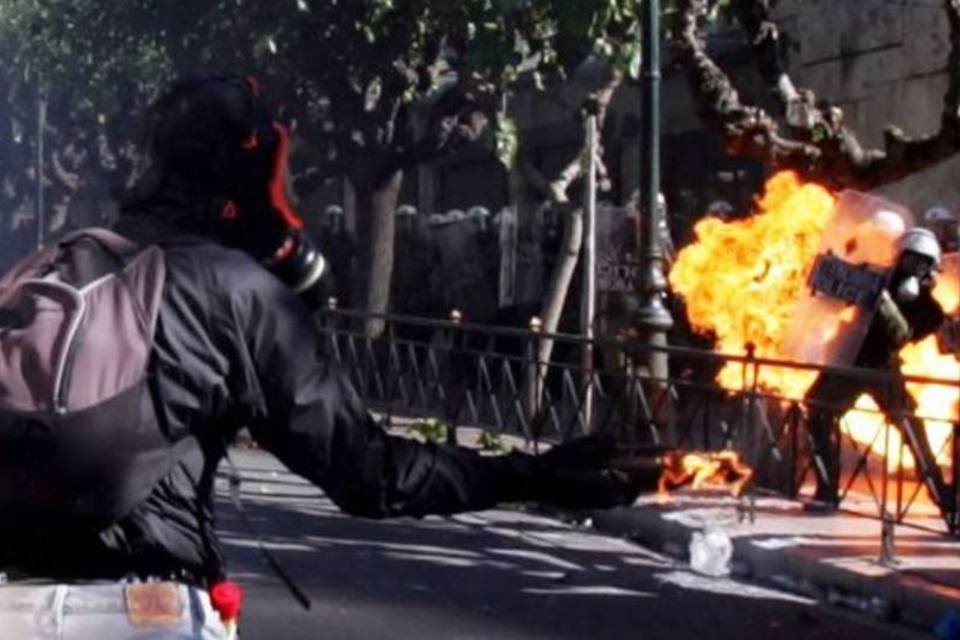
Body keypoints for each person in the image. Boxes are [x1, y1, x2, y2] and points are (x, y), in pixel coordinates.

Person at [0, 76, 685, 639]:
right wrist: (536, 476)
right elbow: (371, 475)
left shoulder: (54, 266)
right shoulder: (231, 291)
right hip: (142, 618)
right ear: (247, 170)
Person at [805, 227, 953, 518]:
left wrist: (883, 302)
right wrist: (837, 276)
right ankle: (827, 490)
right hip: (850, 361)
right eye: (909, 259)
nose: (912, 268)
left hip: (883, 370)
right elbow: (836, 294)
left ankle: (945, 500)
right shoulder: (874, 280)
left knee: (911, 429)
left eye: (920, 263)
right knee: (817, 410)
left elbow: (902, 335)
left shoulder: (930, 309)